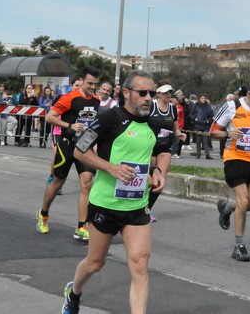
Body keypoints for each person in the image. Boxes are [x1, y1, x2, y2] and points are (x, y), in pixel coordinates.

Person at [61, 70, 163, 314]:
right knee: (95, 263)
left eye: (152, 93)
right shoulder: (109, 118)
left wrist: (157, 171)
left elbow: (159, 150)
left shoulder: (154, 122)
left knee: (140, 263)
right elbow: (80, 150)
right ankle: (73, 293)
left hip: (136, 207)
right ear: (126, 93)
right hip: (105, 204)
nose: (148, 98)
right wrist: (111, 168)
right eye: (143, 93)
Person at [211, 79, 250, 262]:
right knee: (244, 200)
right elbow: (212, 131)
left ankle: (226, 207)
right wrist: (227, 133)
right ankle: (239, 246)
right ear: (248, 94)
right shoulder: (232, 106)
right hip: (234, 158)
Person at [36, 66, 100, 241]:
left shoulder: (96, 101)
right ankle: (43, 214)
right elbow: (50, 117)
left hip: (84, 147)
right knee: (58, 182)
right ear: (81, 80)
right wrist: (69, 126)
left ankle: (81, 226)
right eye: (89, 83)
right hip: (67, 145)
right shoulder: (69, 98)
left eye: (95, 84)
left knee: (86, 184)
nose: (92, 87)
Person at [147, 83, 185, 221]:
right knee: (150, 181)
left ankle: (147, 210)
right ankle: (136, 207)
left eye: (170, 92)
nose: (168, 95)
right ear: (158, 94)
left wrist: (179, 134)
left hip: (165, 148)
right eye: (165, 92)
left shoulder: (173, 108)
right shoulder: (151, 106)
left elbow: (175, 128)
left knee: (160, 182)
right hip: (150, 148)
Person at [191, 93, 214, 159]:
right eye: (202, 98)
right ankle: (198, 154)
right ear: (199, 99)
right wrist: (194, 118)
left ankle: (207, 155)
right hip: (197, 125)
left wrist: (208, 121)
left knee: (205, 141)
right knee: (198, 141)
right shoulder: (196, 105)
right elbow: (191, 114)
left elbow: (211, 115)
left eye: (204, 98)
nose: (203, 99)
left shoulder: (208, 106)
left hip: (205, 126)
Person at [218, 93, 236, 160]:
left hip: (231, 128)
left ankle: (231, 154)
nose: (232, 101)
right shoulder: (224, 106)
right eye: (230, 99)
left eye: (233, 99)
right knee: (222, 140)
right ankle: (221, 153)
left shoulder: (235, 107)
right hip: (224, 127)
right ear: (227, 99)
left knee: (231, 142)